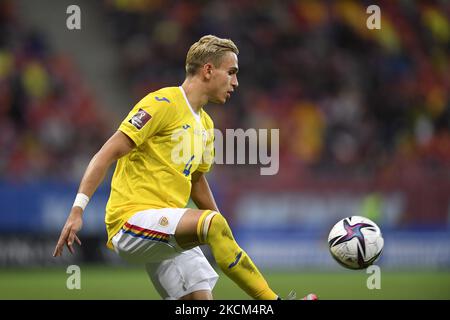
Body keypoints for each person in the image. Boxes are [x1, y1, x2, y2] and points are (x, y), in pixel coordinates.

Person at [53, 35, 317, 301]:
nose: (235, 82)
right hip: (131, 221)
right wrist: (77, 211)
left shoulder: (206, 126)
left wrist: (221, 229)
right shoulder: (162, 104)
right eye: (232, 72)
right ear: (208, 70)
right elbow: (105, 154)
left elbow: (197, 182)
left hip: (169, 224)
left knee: (199, 301)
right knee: (212, 225)